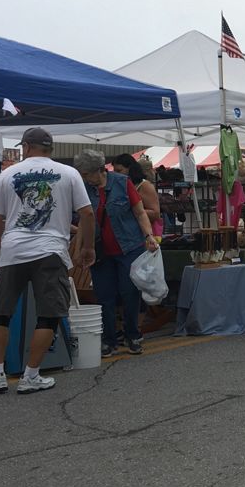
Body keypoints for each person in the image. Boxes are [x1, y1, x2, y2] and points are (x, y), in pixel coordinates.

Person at [0, 128, 94, 395]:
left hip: (13, 250)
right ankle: (31, 375)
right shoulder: (69, 173)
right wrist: (86, 247)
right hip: (50, 250)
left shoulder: (7, 174)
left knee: (0, 311)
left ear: (27, 147)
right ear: (49, 148)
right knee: (49, 314)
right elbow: (87, 214)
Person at [74, 150, 159, 356]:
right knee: (104, 296)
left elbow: (139, 212)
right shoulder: (83, 189)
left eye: (86, 174)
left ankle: (132, 335)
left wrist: (149, 236)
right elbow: (82, 223)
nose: (84, 178)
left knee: (130, 293)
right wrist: (78, 251)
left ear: (99, 170)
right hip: (99, 251)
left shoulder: (122, 182)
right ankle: (109, 340)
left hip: (129, 247)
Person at [113, 154, 162, 237]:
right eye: (115, 171)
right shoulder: (119, 185)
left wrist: (129, 211)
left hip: (143, 235)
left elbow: (155, 213)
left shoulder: (144, 186)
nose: (116, 174)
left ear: (130, 169)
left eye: (119, 171)